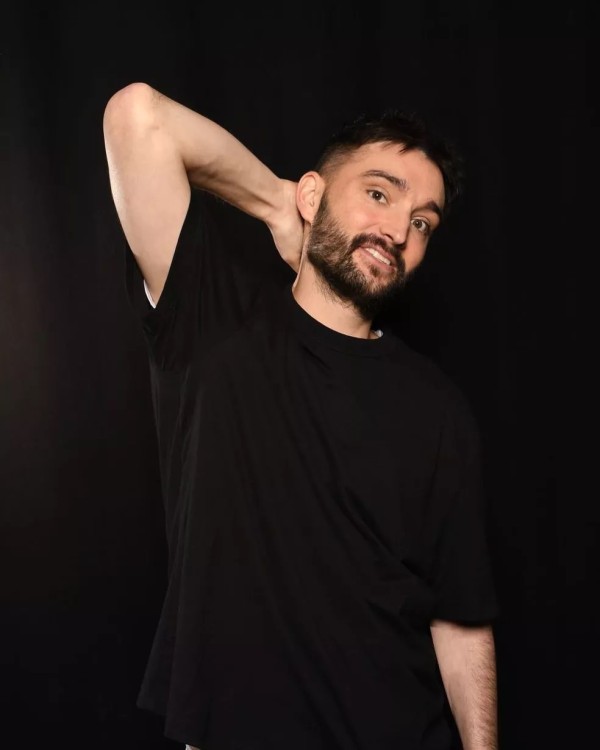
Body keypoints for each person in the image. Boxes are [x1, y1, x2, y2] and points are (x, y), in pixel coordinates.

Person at [103, 81, 499, 750]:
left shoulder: (439, 410)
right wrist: (276, 204)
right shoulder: (212, 326)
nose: (398, 231)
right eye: (380, 193)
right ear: (314, 194)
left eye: (423, 223)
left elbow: (460, 620)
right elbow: (137, 117)